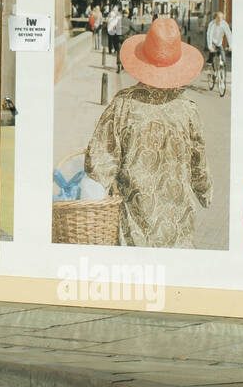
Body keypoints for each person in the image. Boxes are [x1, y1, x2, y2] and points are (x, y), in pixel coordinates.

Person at [86, 17, 211, 247]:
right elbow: (199, 166)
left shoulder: (123, 105)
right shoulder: (188, 110)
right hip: (178, 230)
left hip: (134, 230)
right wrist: (205, 193)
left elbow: (98, 164)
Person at [106, 3, 123, 70]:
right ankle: (114, 50)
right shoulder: (115, 14)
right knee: (114, 41)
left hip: (112, 29)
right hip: (114, 29)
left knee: (111, 40)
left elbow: (108, 20)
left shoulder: (112, 14)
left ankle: (111, 50)